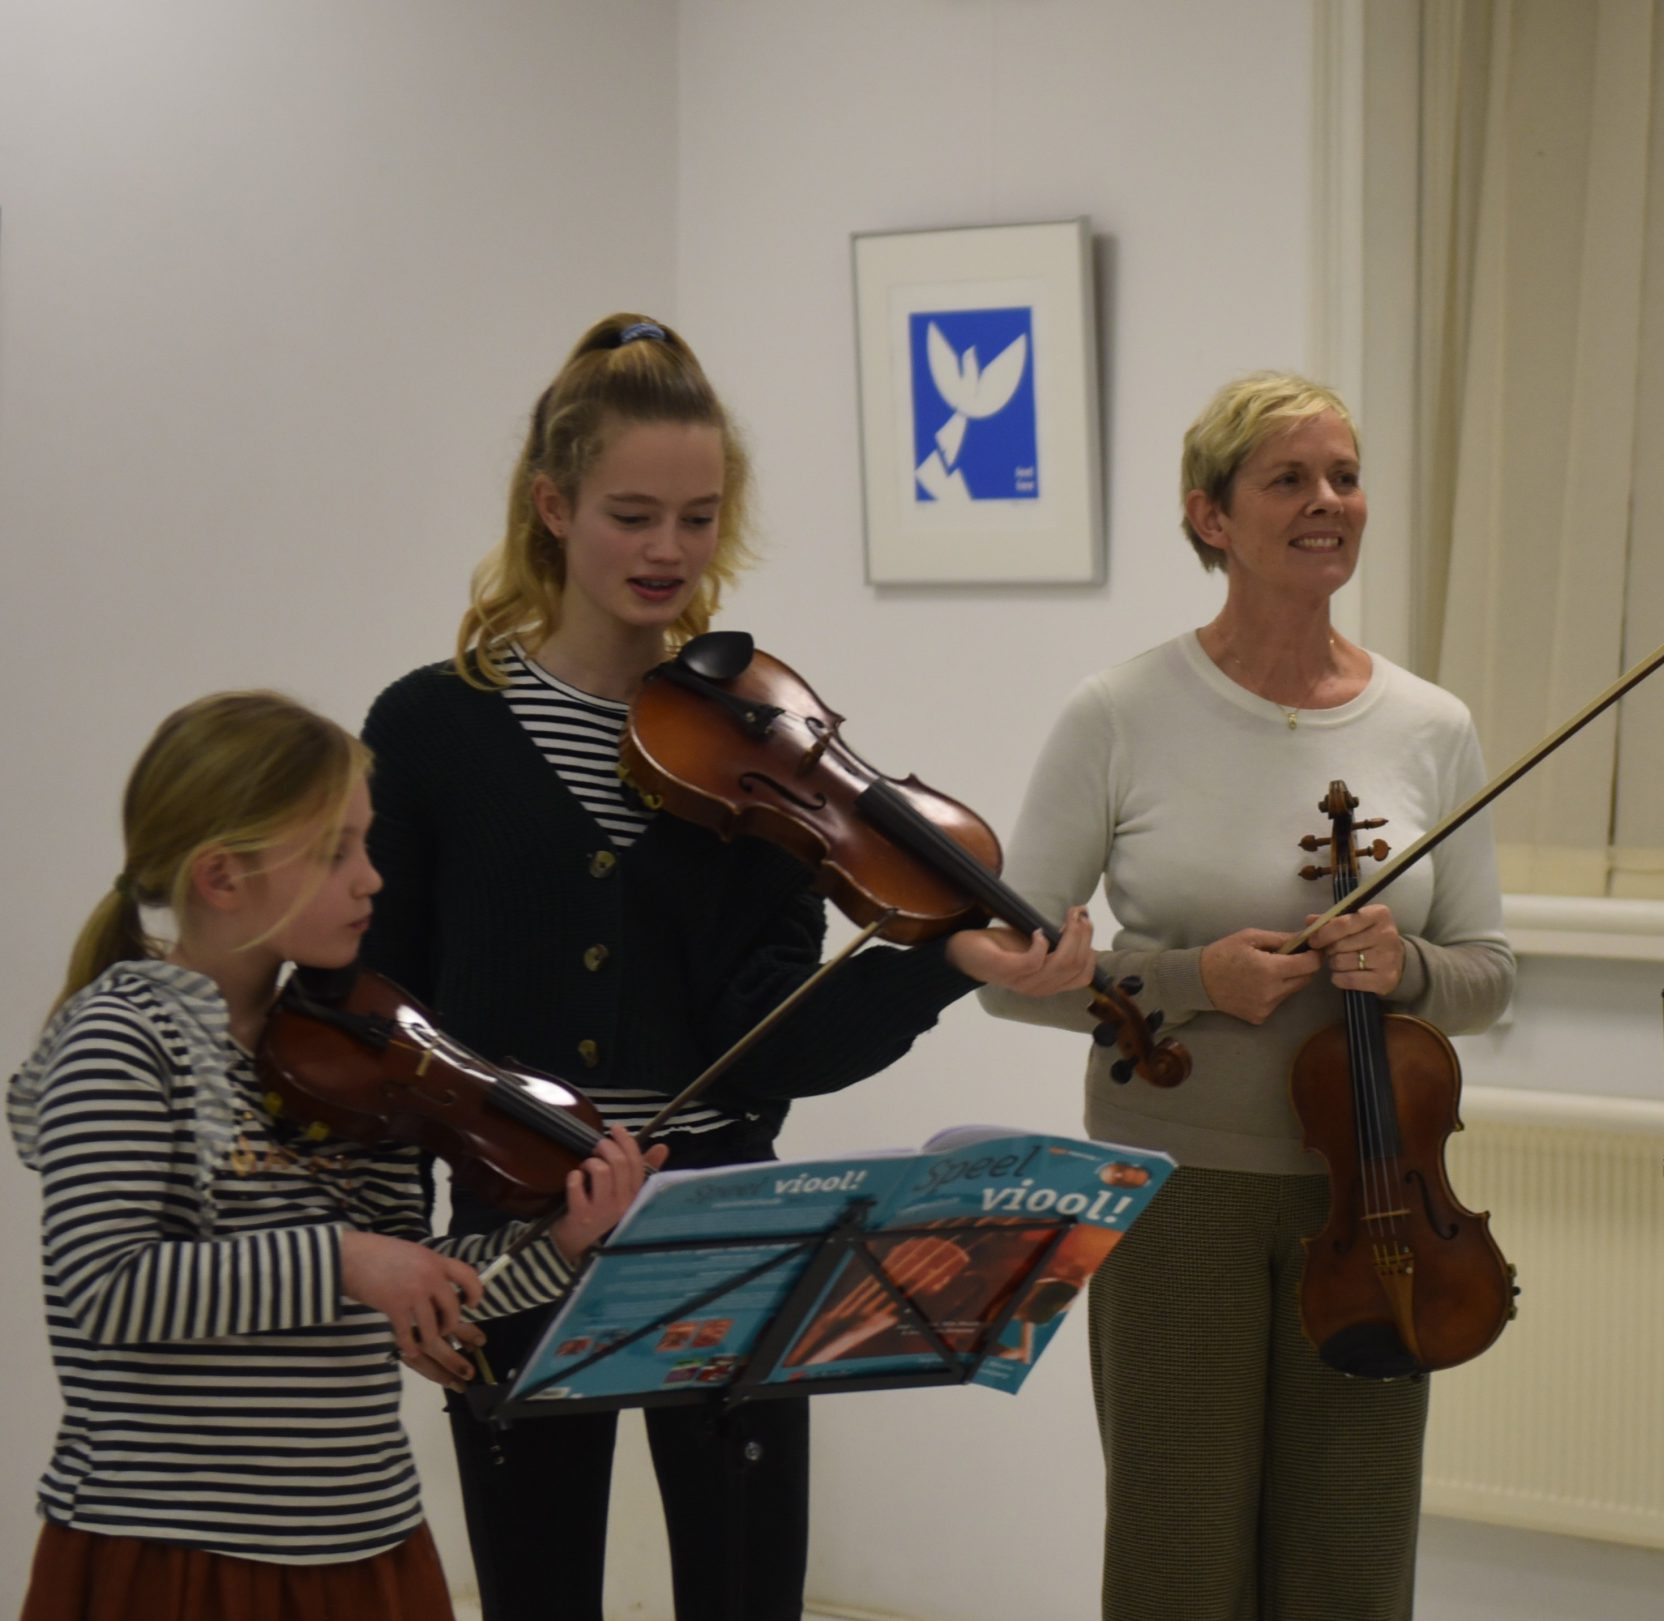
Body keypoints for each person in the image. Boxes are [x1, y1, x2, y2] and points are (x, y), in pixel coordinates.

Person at [360, 315, 1093, 1621]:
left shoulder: (759, 743)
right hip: (515, 1223)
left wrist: (945, 959)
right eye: (633, 515)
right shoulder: (431, 729)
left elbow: (778, 1038)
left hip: (726, 1216)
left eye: (698, 519)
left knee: (748, 1593)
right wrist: (398, 1243)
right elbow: (384, 1008)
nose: (668, 551)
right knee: (534, 1593)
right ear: (552, 506)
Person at [980, 372, 1516, 1620]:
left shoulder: (1430, 725)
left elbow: (1488, 974)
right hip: (1177, 1194)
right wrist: (1190, 979)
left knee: (1350, 1568)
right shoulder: (1119, 713)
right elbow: (1011, 971)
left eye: (1344, 476)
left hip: (1379, 1202)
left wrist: (1407, 967)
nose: (1328, 501)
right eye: (1288, 479)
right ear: (1210, 516)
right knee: (1179, 1562)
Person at [10, 691, 656, 1621]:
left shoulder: (356, 1057)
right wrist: (344, 1260)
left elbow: (415, 1279)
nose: (372, 879)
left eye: (366, 844)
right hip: (179, 1545)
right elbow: (107, 1288)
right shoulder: (123, 1039)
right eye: (334, 852)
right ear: (221, 876)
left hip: (361, 1532)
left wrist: (561, 1246)